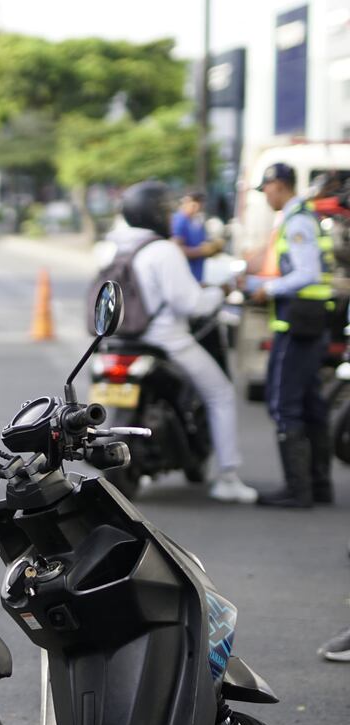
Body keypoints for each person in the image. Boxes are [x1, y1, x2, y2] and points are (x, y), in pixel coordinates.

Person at [110, 181, 257, 503]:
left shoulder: (119, 246)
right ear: (157, 213)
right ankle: (228, 477)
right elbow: (190, 304)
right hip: (166, 340)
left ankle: (144, 467)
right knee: (220, 393)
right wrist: (219, 292)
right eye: (167, 209)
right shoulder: (163, 250)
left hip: (123, 341)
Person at [244, 163, 336, 508]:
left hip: (297, 325)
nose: (265, 195)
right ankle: (319, 486)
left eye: (265, 188)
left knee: (284, 404)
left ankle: (298, 490)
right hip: (309, 323)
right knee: (311, 404)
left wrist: (268, 289)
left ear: (279, 185)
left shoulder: (297, 220)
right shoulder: (301, 216)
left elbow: (307, 273)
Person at [171, 190, 231, 375]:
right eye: (193, 204)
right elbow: (178, 249)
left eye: (199, 205)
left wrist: (214, 247)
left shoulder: (197, 223)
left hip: (197, 282)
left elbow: (203, 247)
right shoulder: (180, 221)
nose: (195, 208)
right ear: (185, 202)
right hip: (185, 286)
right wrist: (202, 251)